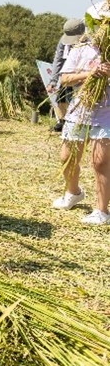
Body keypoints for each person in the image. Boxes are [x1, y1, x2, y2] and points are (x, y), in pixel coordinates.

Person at [53, 27, 110, 225]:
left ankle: (102, 210)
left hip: (106, 112)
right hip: (80, 109)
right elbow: (65, 79)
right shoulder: (80, 49)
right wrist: (91, 73)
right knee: (67, 157)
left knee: (100, 161)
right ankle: (73, 193)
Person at [46, 18, 86, 132]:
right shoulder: (63, 42)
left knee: (77, 100)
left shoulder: (90, 41)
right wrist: (53, 81)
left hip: (83, 74)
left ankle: (77, 123)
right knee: (62, 98)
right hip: (67, 74)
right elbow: (58, 60)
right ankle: (63, 121)